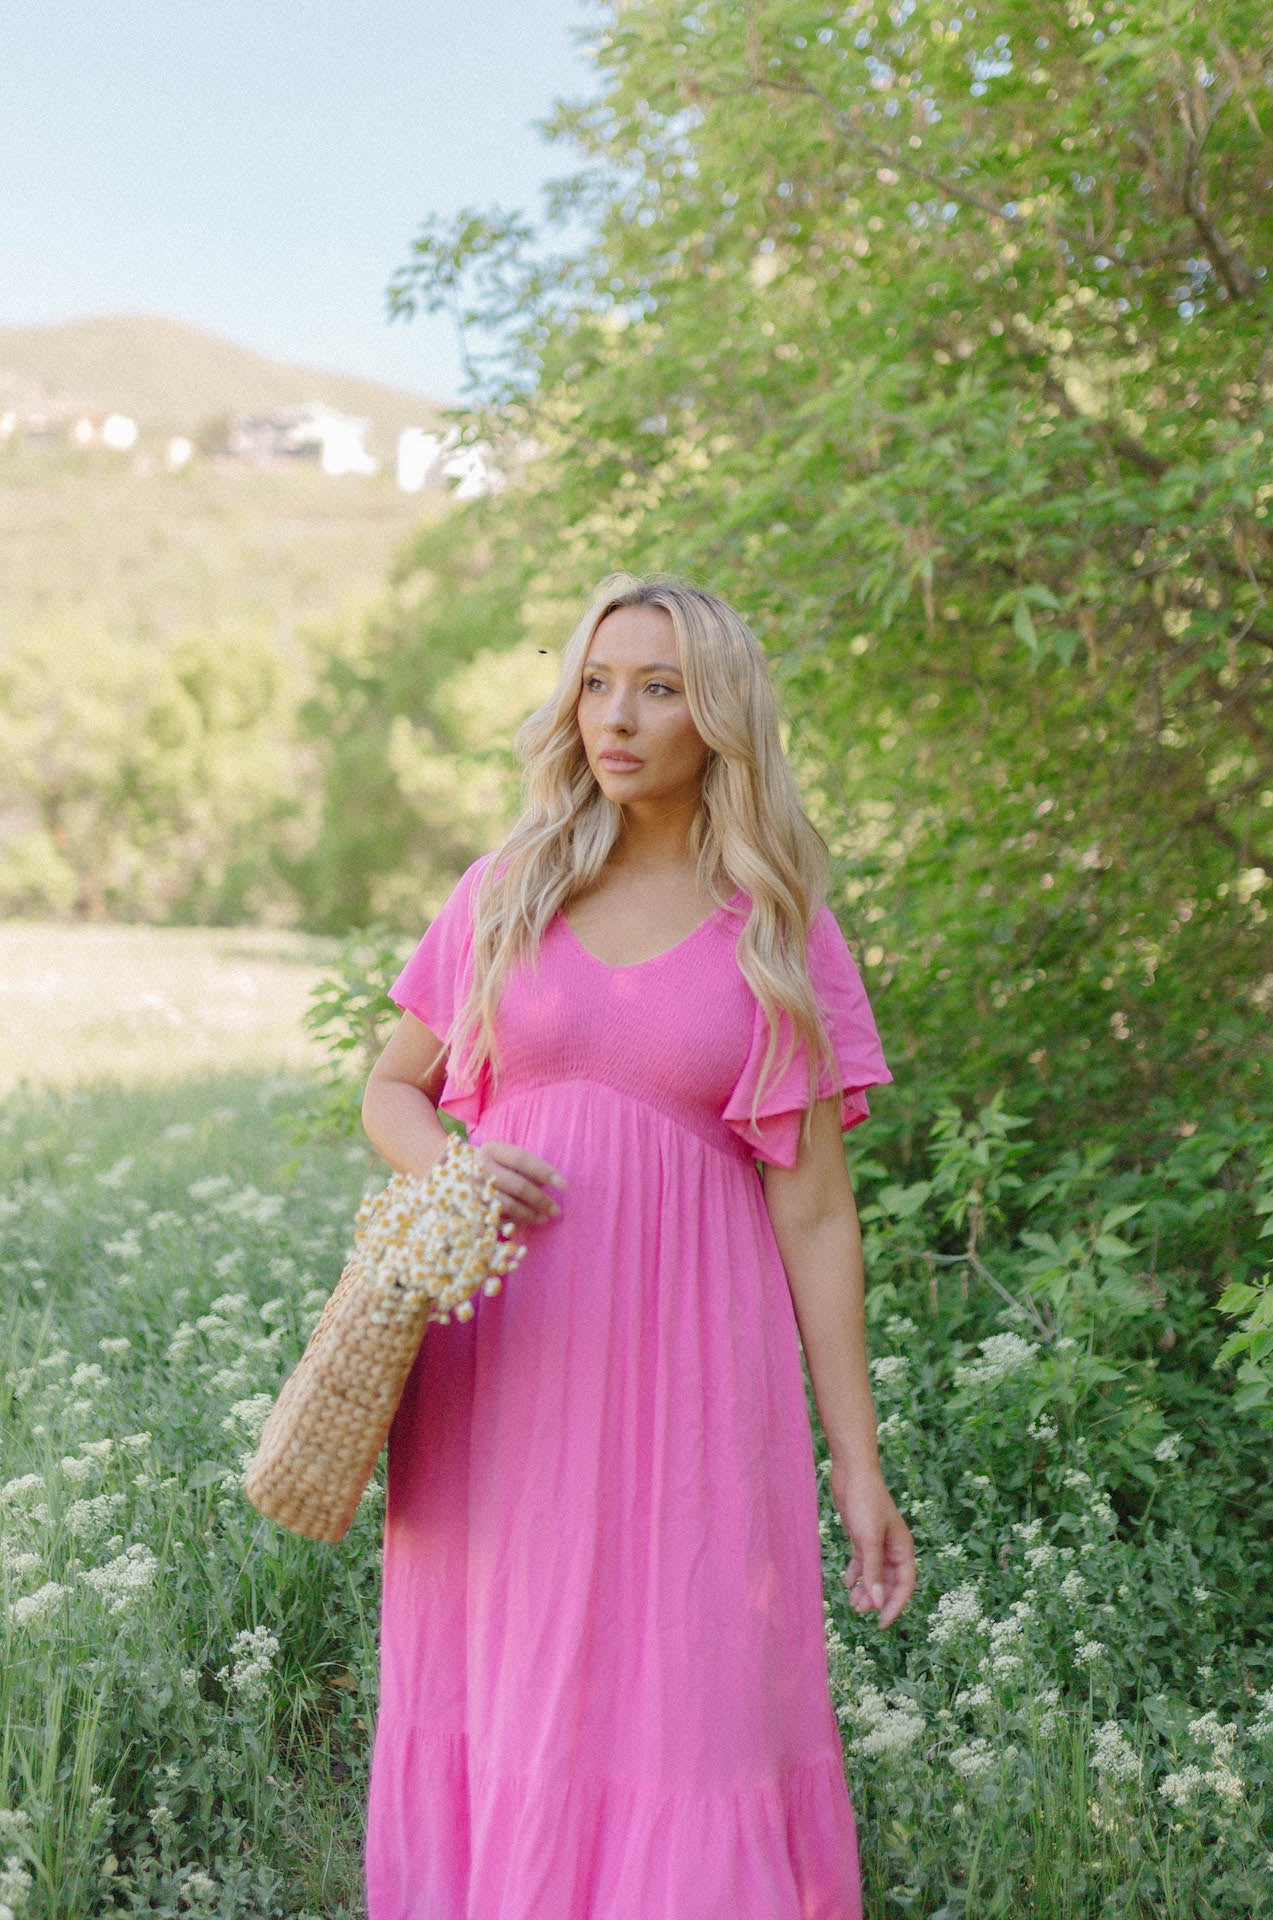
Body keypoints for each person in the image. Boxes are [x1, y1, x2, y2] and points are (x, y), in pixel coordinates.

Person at [359, 572, 916, 1920]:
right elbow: (388, 1089)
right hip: (502, 1365)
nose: (618, 715)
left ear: (717, 716)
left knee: (687, 1700)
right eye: (598, 682)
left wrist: (859, 1468)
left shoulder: (777, 930)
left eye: (658, 687)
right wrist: (449, 1159)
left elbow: (815, 1210)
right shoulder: (506, 891)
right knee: (507, 1690)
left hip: (692, 1385)